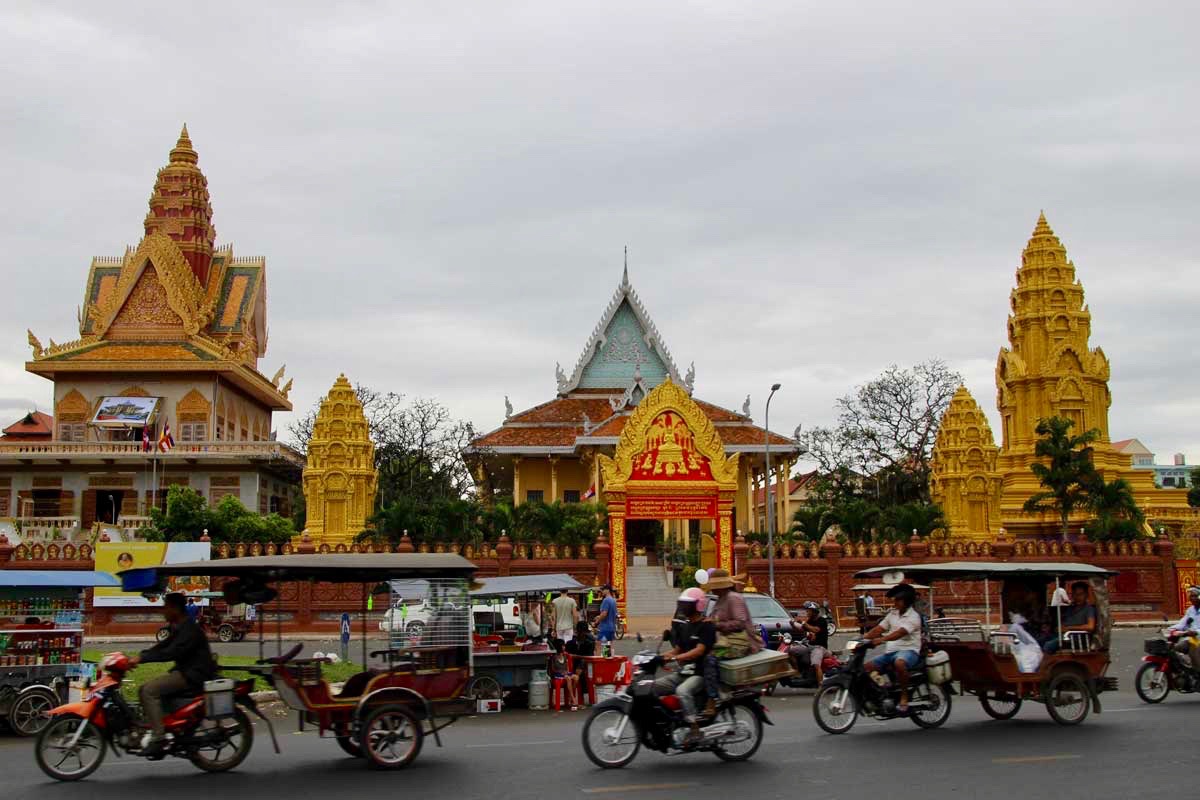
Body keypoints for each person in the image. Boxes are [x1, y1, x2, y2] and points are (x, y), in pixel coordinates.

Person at [129, 593, 216, 756]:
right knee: (145, 689)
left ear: (175, 609)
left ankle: (159, 738)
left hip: (193, 675)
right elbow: (164, 646)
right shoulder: (180, 626)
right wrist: (140, 656)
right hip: (185, 671)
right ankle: (161, 725)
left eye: (166, 607)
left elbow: (171, 652)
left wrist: (142, 658)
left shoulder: (189, 629)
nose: (163, 611)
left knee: (148, 691)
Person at [655, 587, 716, 744]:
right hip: (683, 672)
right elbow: (678, 649)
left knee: (682, 691)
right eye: (682, 604)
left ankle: (694, 727)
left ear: (698, 605)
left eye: (687, 605)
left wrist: (677, 658)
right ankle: (669, 721)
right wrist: (660, 657)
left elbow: (699, 650)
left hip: (699, 674)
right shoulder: (685, 626)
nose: (682, 608)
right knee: (653, 687)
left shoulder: (707, 626)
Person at [864, 583, 923, 713]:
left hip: (909, 651)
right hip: (891, 652)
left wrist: (882, 639)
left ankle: (904, 696)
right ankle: (882, 691)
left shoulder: (914, 617)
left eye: (898, 599)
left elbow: (899, 633)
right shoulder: (892, 614)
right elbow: (879, 628)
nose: (895, 602)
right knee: (866, 668)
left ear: (906, 601)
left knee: (899, 663)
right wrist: (863, 638)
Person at [1043, 582, 1097, 654]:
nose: (1077, 597)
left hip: (1077, 638)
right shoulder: (1071, 608)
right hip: (1064, 635)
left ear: (1086, 595)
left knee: (1048, 645)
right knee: (1040, 640)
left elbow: (1090, 626)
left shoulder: (1089, 609)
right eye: (1075, 594)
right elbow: (1064, 621)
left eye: (1080, 594)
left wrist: (1069, 628)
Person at [788, 601, 830, 683]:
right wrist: (793, 623)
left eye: (808, 611)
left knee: (816, 665)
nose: (806, 612)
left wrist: (803, 623)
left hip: (819, 647)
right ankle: (797, 672)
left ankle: (821, 686)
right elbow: (801, 629)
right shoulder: (810, 620)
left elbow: (815, 629)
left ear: (814, 611)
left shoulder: (822, 620)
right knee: (791, 651)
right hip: (809, 646)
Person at [1170, 587, 1200, 672]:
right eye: (1191, 596)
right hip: (1191, 639)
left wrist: (1195, 632)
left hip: (1198, 641)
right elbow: (1182, 624)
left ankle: (1196, 674)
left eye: (1195, 596)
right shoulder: (1190, 610)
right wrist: (1170, 629)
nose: (1192, 598)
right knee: (1171, 650)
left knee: (1194, 652)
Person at [566, 620, 596, 702]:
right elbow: (567, 655)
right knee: (577, 671)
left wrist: (576, 656)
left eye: (584, 632)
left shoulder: (589, 643)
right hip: (573, 666)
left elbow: (589, 657)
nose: (582, 634)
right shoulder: (570, 643)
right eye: (581, 632)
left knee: (582, 662)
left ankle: (574, 697)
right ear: (577, 631)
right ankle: (573, 697)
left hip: (585, 666)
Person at [549, 638, 580, 711]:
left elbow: (566, 667)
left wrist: (566, 672)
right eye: (562, 646)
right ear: (559, 646)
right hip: (557, 674)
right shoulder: (554, 657)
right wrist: (561, 673)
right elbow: (553, 669)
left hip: (565, 673)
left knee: (576, 677)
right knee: (568, 678)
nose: (564, 647)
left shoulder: (565, 655)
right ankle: (573, 699)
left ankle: (570, 696)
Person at [595, 585, 618, 655]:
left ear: (608, 590)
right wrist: (599, 616)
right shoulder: (613, 600)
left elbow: (604, 614)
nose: (602, 591)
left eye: (603, 589)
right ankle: (607, 660)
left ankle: (598, 662)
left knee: (598, 644)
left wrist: (597, 621)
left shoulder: (606, 600)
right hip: (612, 627)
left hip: (605, 627)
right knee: (607, 645)